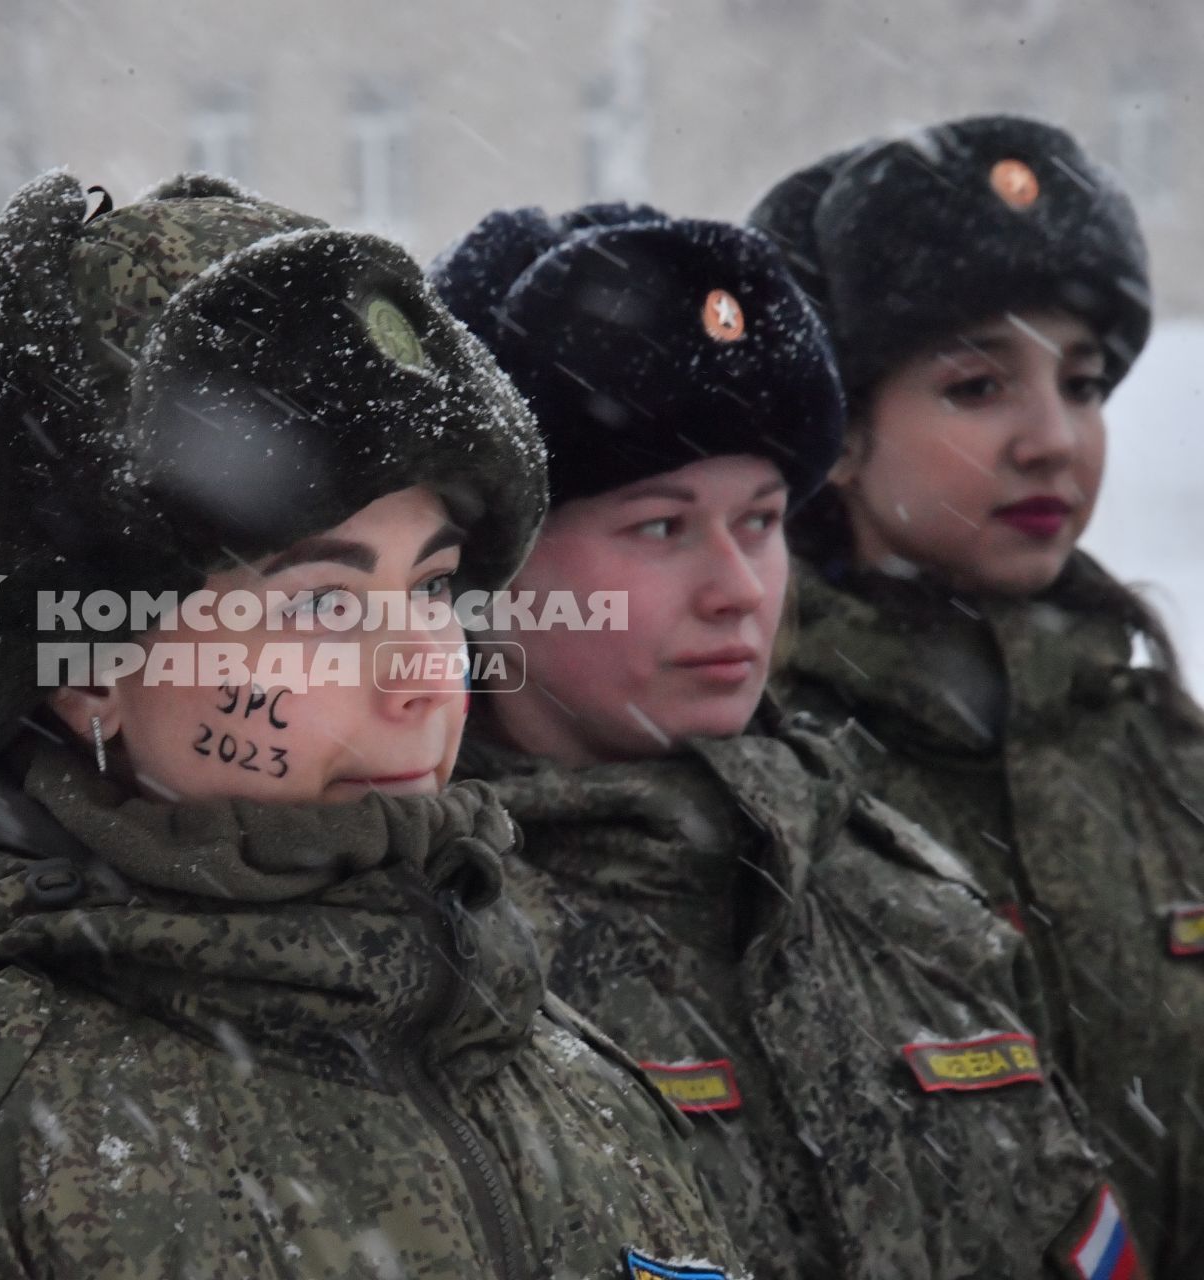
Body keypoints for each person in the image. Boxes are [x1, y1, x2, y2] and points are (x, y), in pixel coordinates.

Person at [0, 171, 748, 1280]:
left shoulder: (564, 1074)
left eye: (432, 589)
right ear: (83, 669)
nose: (420, 677)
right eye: (321, 604)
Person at [434, 203, 1137, 1278]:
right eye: (662, 526)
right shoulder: (438, 947)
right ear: (492, 572)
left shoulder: (893, 894)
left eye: (759, 520)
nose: (735, 590)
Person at [750, 113, 1204, 1272]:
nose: (1054, 439)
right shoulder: (756, 780)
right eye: (977, 385)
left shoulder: (1166, 758)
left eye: (1085, 381)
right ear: (838, 435)